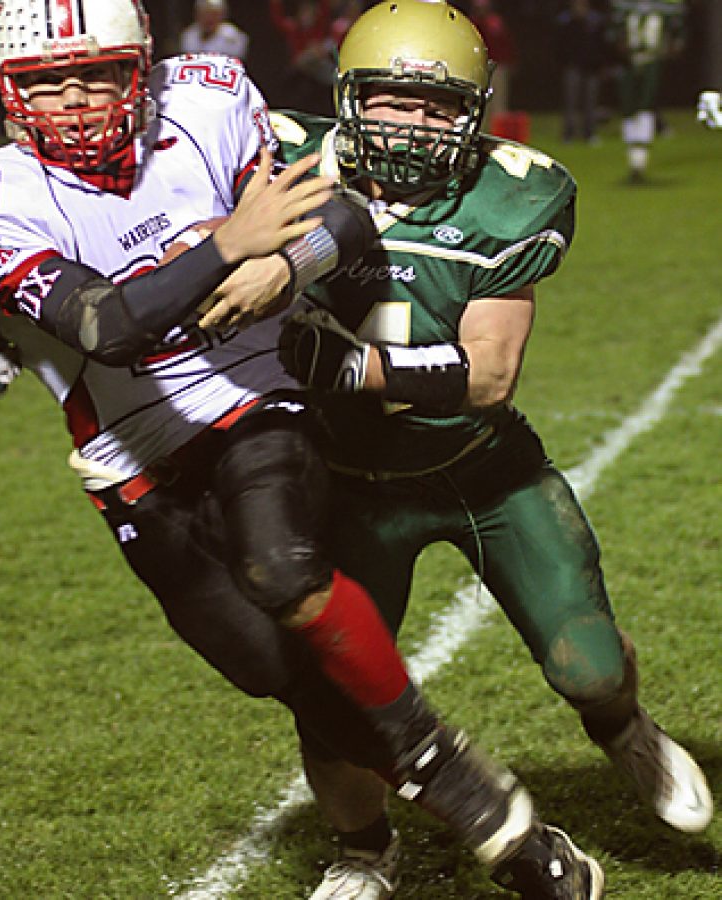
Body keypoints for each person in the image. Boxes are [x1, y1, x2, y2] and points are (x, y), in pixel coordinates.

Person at [0, 2, 605, 897]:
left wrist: (288, 262)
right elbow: (103, 324)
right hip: (132, 459)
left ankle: (477, 807)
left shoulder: (206, 103)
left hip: (256, 397)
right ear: (8, 89)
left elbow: (348, 222)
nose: (77, 99)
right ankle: (477, 809)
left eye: (100, 73)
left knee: (281, 570)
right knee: (276, 673)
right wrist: (226, 247)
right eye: (49, 81)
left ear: (145, 68)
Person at [259, 1, 713, 896]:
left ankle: (622, 730)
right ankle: (363, 852)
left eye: (440, 108)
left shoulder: (513, 192)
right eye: (394, 102)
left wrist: (348, 371)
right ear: (350, 100)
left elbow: (489, 373)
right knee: (337, 703)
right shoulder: (277, 160)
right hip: (348, 491)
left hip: (482, 470)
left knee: (586, 668)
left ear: (475, 113)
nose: (415, 126)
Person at [608, 0, 687, 183]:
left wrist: (673, 46)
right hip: (629, 59)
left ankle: (639, 159)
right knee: (629, 107)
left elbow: (678, 28)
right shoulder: (625, 8)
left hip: (652, 58)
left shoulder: (665, 6)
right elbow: (613, 30)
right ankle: (634, 157)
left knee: (645, 105)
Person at [268, 0, 337, 115]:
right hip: (299, 69)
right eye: (304, 14)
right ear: (299, 14)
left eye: (310, 14)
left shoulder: (318, 29)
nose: (307, 17)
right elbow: (278, 19)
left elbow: (325, 12)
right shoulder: (293, 28)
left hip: (317, 69)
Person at [555, 0, 608, 143]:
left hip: (591, 68)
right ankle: (569, 134)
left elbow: (601, 45)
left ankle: (589, 133)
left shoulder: (595, 22)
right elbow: (559, 46)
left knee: (590, 103)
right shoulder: (565, 22)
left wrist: (601, 64)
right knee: (571, 102)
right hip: (572, 67)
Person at [468, 0, 516, 126]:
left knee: (499, 102)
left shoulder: (495, 22)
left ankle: (499, 131)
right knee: (480, 102)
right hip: (479, 67)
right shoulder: (472, 24)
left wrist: (510, 62)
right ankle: (480, 130)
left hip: (498, 66)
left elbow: (506, 44)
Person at [180, 0, 249, 61]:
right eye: (204, 14)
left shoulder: (233, 37)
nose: (209, 18)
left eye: (213, 14)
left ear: (222, 15)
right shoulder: (188, 35)